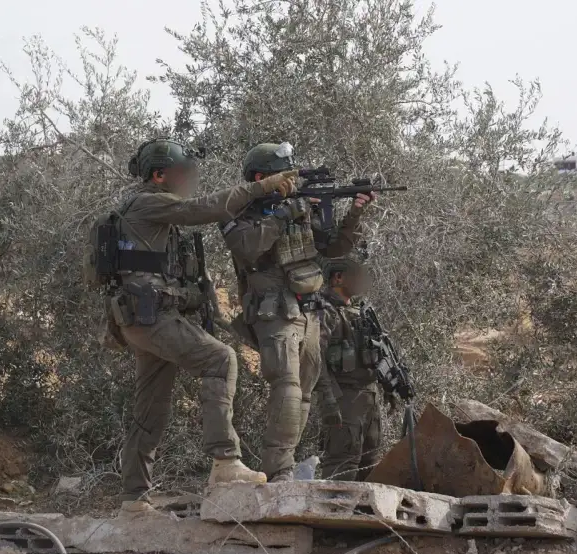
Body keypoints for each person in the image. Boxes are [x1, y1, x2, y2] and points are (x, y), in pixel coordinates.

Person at [107, 138, 299, 514]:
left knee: (150, 409)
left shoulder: (147, 208)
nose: (187, 180)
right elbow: (205, 208)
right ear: (159, 175)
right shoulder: (149, 202)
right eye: (181, 174)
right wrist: (262, 187)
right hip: (150, 316)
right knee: (220, 360)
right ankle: (225, 462)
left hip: (143, 318)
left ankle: (133, 498)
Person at [221, 142, 374, 482]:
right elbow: (248, 248)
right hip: (271, 310)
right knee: (287, 387)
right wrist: (287, 212)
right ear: (260, 178)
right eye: (282, 173)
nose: (290, 180)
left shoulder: (296, 207)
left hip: (307, 311)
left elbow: (334, 247)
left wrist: (355, 212)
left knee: (303, 392)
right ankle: (278, 472)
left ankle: (282, 466)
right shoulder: (238, 212)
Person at [316, 255, 386, 481]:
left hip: (369, 398)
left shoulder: (359, 314)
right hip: (344, 398)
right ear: (338, 278)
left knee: (370, 464)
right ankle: (335, 512)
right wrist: (328, 399)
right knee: (342, 465)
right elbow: (315, 359)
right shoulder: (325, 314)